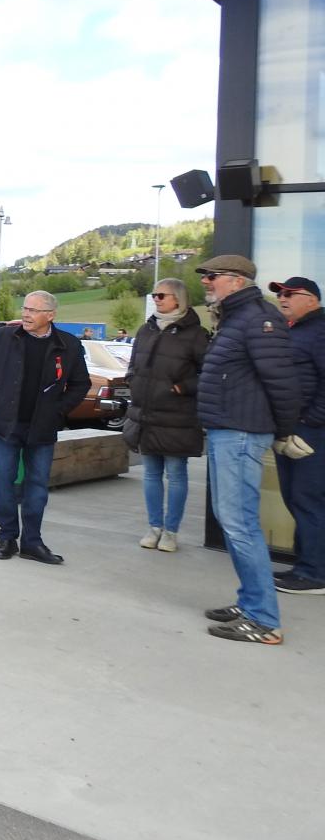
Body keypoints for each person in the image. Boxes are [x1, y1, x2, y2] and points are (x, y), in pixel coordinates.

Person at [196, 254, 300, 646]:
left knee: (240, 524)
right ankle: (251, 602)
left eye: (213, 276)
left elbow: (282, 381)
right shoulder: (238, 317)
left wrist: (284, 431)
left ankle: (264, 620)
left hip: (240, 433)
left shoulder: (258, 319)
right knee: (234, 521)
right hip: (229, 430)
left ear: (237, 281)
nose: (206, 281)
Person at [0, 291, 90, 565]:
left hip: (42, 428)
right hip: (4, 426)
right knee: (3, 482)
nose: (26, 314)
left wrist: (59, 410)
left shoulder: (68, 345)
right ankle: (7, 538)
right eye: (25, 308)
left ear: (50, 315)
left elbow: (80, 384)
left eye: (33, 310)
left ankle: (32, 542)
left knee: (37, 486)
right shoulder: (4, 337)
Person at [124, 278, 209, 553]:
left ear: (178, 299)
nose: (156, 299)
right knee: (150, 474)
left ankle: (171, 532)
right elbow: (133, 364)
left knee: (176, 474)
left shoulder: (196, 334)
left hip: (177, 416)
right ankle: (154, 528)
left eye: (162, 295)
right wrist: (133, 380)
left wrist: (183, 387)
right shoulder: (146, 329)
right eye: (154, 295)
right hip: (146, 415)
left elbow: (208, 372)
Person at [268, 275, 325, 597]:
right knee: (295, 498)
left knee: (307, 500)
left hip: (312, 433)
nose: (283, 298)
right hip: (291, 430)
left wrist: (311, 420)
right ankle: (305, 565)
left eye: (291, 293)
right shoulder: (295, 330)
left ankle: (314, 574)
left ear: (312, 300)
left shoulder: (319, 331)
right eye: (280, 293)